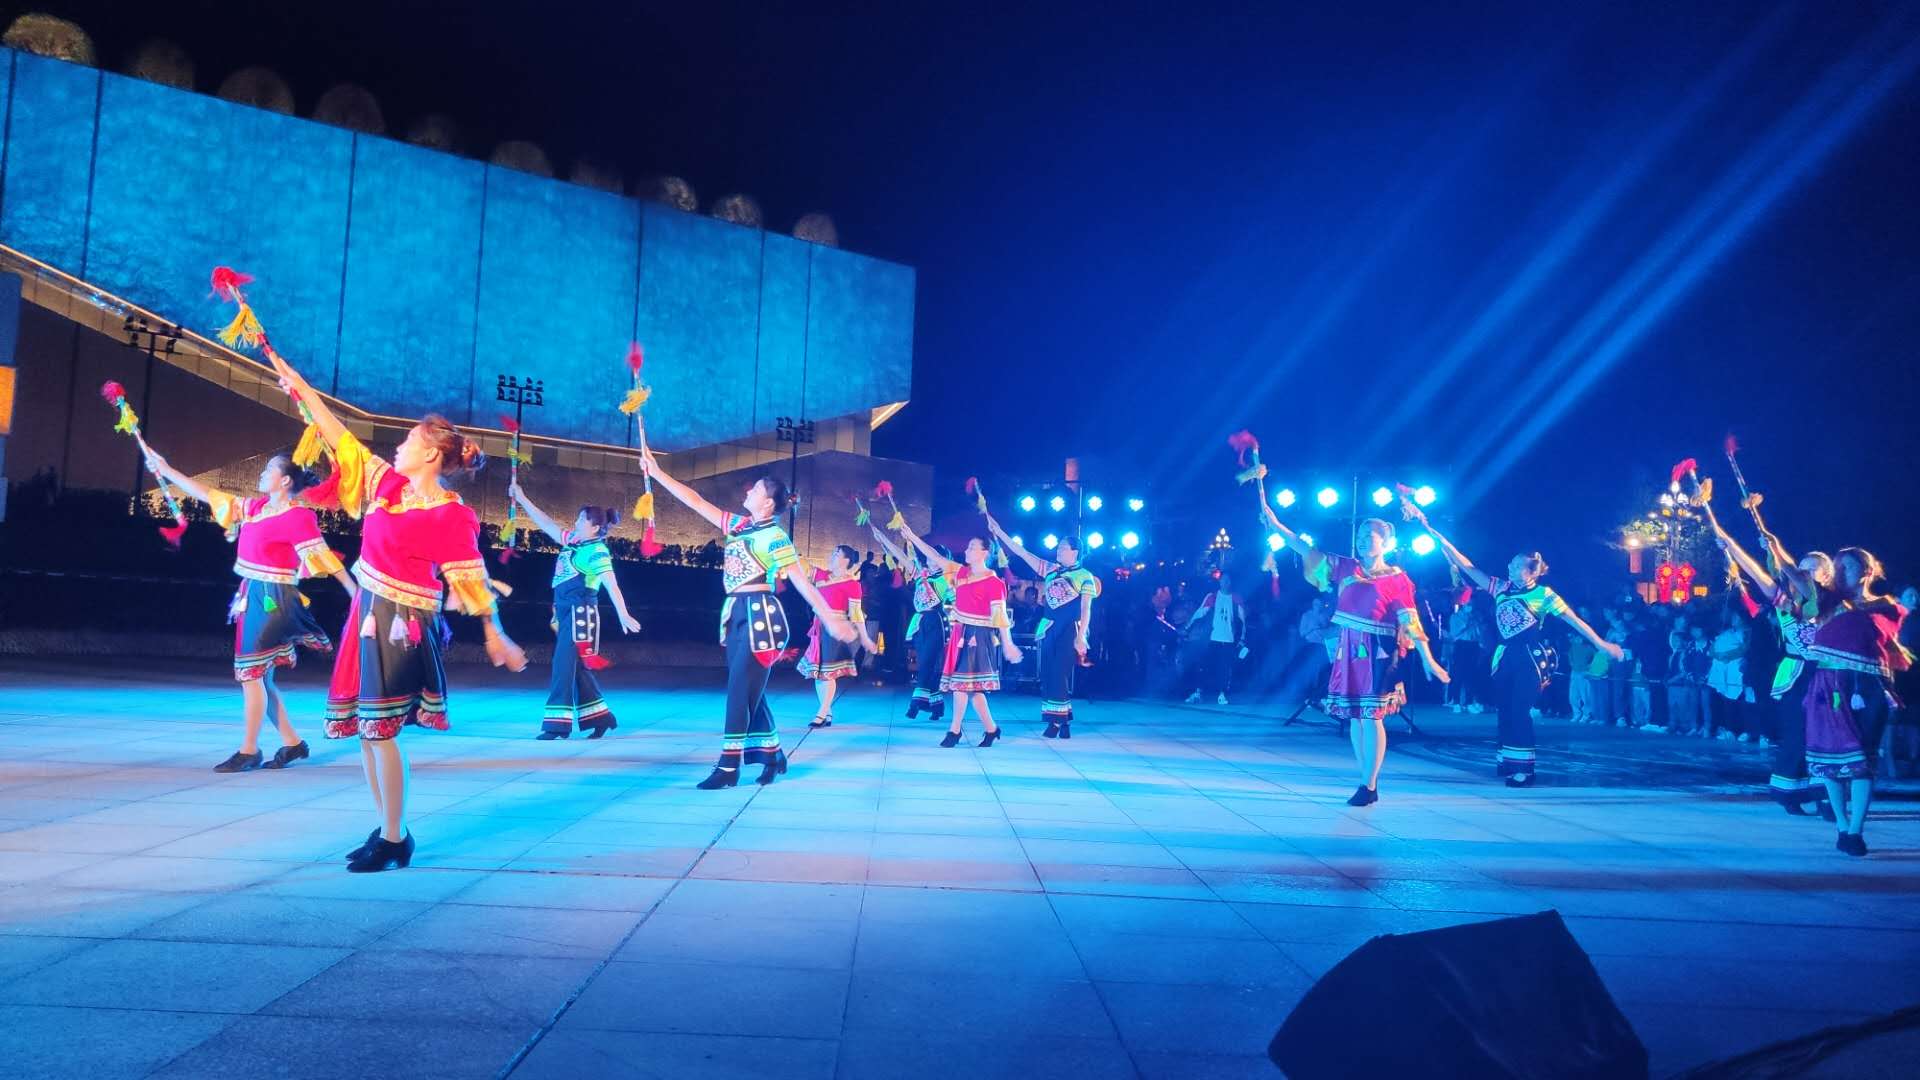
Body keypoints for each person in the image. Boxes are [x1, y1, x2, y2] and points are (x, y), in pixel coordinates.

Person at [266, 345, 527, 873]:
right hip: (366, 614)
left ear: (430, 455)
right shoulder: (386, 483)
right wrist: (293, 380)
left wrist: (494, 633)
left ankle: (394, 837)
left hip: (400, 626)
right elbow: (335, 431)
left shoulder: (452, 514)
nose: (399, 445)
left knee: (381, 730)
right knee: (367, 730)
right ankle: (388, 829)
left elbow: (470, 578)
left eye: (409, 440)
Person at [638, 449, 857, 787]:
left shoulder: (776, 538)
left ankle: (728, 767)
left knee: (739, 689)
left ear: (768, 503)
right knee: (750, 689)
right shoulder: (739, 525)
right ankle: (773, 753)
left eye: (755, 489)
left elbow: (801, 582)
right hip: (735, 614)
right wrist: (657, 473)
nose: (749, 491)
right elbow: (695, 501)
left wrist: (829, 619)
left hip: (760, 619)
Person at [142, 446, 354, 772]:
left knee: (250, 674)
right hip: (251, 594)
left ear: (285, 481)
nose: (262, 474)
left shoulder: (298, 516)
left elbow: (324, 557)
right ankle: (292, 743)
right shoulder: (255, 509)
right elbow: (208, 494)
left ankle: (249, 749)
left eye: (269, 470)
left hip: (272, 599)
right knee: (261, 679)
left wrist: (355, 592)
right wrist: (166, 469)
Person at [1411, 502, 1619, 787]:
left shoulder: (1544, 595)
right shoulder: (1501, 587)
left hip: (1530, 658)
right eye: (1510, 563)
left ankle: (1524, 769)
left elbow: (1575, 622)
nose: (1509, 567)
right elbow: (1466, 565)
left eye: (1517, 565)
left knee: (1520, 710)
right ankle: (1509, 762)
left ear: (1532, 572)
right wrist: (1431, 530)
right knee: (1505, 710)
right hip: (1504, 656)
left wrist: (1601, 643)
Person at [1263, 498, 1447, 805]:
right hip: (1348, 646)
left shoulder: (1398, 579)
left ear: (1385, 542)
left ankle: (1369, 784)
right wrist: (1276, 524)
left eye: (1368, 537)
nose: (1362, 541)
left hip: (1378, 650)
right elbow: (1305, 549)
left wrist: (1428, 658)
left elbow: (1410, 620)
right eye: (1359, 537)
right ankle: (1365, 779)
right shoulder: (1347, 567)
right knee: (1355, 717)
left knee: (1371, 716)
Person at [1708, 500, 1837, 816]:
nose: (1803, 574)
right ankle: (1792, 792)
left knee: (1829, 735)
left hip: (1830, 673)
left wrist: (1776, 549)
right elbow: (1758, 573)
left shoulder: (1834, 602)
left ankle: (1828, 796)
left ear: (1826, 576)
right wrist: (1731, 544)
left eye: (1811, 570)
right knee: (1796, 732)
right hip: (1798, 675)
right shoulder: (1785, 601)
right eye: (1801, 568)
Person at [507, 481, 642, 740]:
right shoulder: (574, 541)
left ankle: (556, 726)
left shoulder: (597, 551)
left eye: (581, 519)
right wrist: (522, 498)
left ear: (595, 527)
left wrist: (623, 613)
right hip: (565, 612)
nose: (576, 522)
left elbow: (611, 585)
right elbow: (546, 522)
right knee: (576, 667)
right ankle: (601, 718)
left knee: (562, 665)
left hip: (580, 615)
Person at [896, 521, 1023, 746]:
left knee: (961, 684)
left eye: (972, 547)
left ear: (984, 553)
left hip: (978, 637)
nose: (966, 550)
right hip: (959, 633)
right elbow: (936, 557)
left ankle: (954, 731)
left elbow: (1000, 617)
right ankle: (991, 729)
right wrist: (912, 537)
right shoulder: (961, 572)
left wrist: (1008, 643)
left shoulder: (994, 582)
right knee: (969, 688)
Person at [988, 516, 1098, 737]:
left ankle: (1055, 722)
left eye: (1063, 548)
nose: (1058, 550)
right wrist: (999, 531)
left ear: (1075, 552)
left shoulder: (1085, 576)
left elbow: (1086, 608)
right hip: (1049, 629)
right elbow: (1022, 552)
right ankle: (1063, 721)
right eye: (1058, 547)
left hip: (1070, 630)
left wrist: (1081, 636)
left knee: (1059, 673)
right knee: (1047, 674)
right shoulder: (1050, 569)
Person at [873, 524, 955, 722]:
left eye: (935, 556)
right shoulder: (920, 574)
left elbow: (956, 602)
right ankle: (937, 706)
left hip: (936, 622)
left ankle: (916, 703)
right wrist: (883, 539)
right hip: (919, 622)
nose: (930, 559)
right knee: (926, 664)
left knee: (927, 662)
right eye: (929, 555)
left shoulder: (947, 578)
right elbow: (901, 556)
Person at [797, 544, 880, 728]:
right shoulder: (821, 575)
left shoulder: (852, 584)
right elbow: (800, 566)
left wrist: (865, 638)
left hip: (835, 630)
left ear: (846, 560)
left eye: (836, 554)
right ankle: (826, 711)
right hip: (819, 628)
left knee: (827, 674)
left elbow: (856, 614)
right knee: (818, 673)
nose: (832, 556)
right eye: (833, 553)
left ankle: (821, 713)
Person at [1183, 573, 1246, 705]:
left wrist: (1242, 639)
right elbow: (1200, 612)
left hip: (1229, 639)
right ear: (1219, 582)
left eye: (1228, 580)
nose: (1225, 583)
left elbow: (1242, 620)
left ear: (1231, 582)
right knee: (1204, 665)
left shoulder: (1236, 598)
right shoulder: (1213, 597)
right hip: (1212, 638)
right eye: (1223, 580)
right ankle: (1198, 692)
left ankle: (1222, 694)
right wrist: (1188, 627)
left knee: (1225, 668)